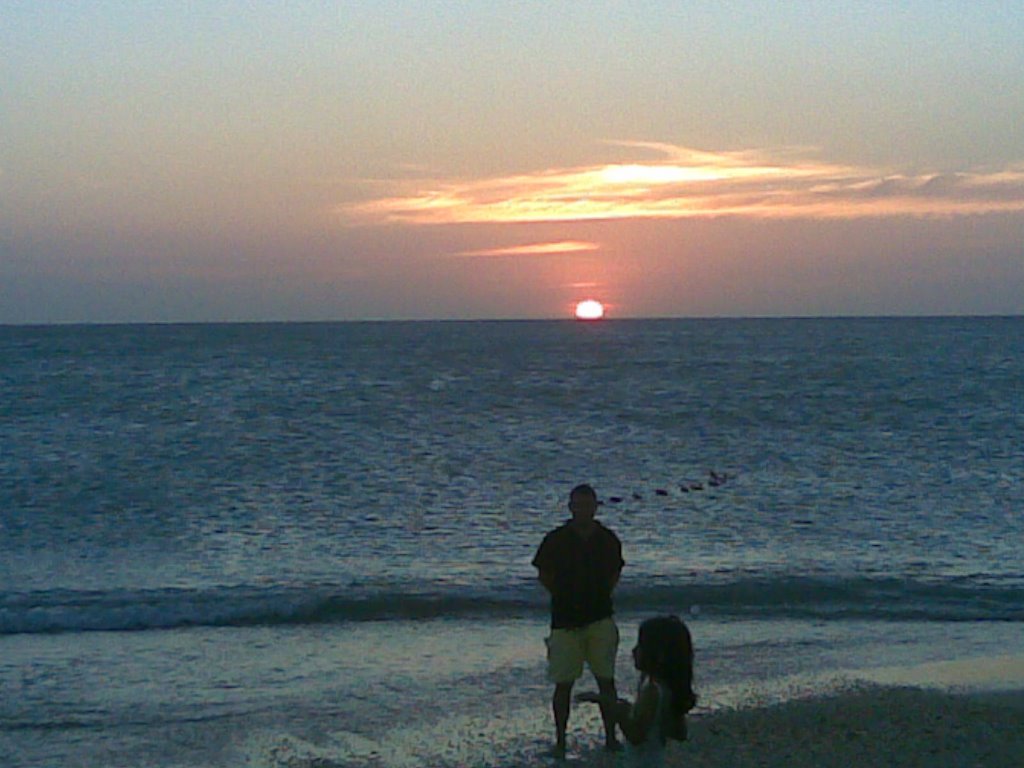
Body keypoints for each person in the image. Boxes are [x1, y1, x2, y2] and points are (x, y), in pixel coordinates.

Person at [532, 483, 625, 758]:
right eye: (578, 505)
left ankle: (611, 738)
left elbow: (614, 575)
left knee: (606, 680)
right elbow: (543, 573)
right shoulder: (555, 539)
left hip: (600, 617)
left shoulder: (608, 539)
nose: (583, 510)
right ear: (570, 507)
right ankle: (560, 740)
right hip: (564, 620)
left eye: (588, 505)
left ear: (596, 507)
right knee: (563, 683)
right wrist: (562, 596)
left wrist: (597, 597)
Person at [576, 615, 696, 768]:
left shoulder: (652, 690)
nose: (634, 651)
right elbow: (677, 732)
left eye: (641, 646)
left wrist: (616, 708)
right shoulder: (664, 687)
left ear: (659, 656)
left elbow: (636, 736)